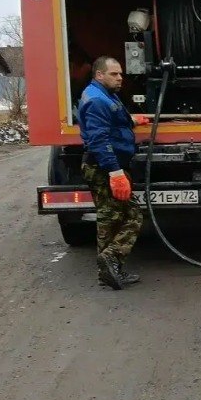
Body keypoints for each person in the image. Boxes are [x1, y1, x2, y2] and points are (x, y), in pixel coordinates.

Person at [77, 56, 147, 289]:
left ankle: (108, 271)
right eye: (114, 74)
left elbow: (113, 120)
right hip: (104, 167)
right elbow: (99, 139)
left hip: (103, 166)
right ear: (99, 75)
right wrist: (115, 173)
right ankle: (111, 258)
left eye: (120, 74)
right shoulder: (98, 100)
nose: (120, 78)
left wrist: (131, 121)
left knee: (110, 219)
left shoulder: (103, 95)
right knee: (131, 216)